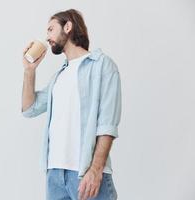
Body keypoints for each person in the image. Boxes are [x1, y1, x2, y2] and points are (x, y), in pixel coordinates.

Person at [21, 9, 121, 200]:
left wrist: (95, 170)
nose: (47, 37)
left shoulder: (103, 66)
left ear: (68, 27)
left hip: (85, 173)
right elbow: (29, 109)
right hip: (55, 175)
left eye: (51, 29)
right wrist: (29, 71)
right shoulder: (60, 76)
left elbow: (108, 124)